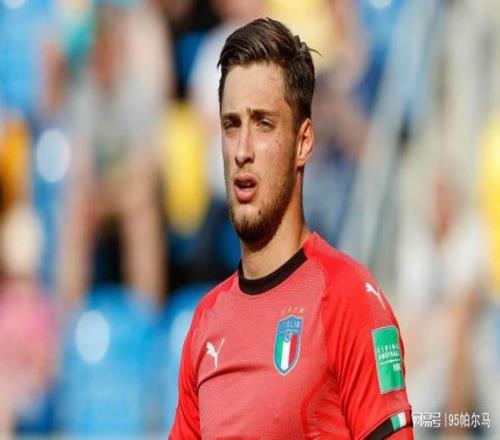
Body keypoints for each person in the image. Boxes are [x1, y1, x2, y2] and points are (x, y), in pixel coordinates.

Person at [169, 18, 413, 439]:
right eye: (231, 125)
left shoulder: (348, 299)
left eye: (263, 124)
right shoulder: (206, 322)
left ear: (303, 143)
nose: (242, 151)